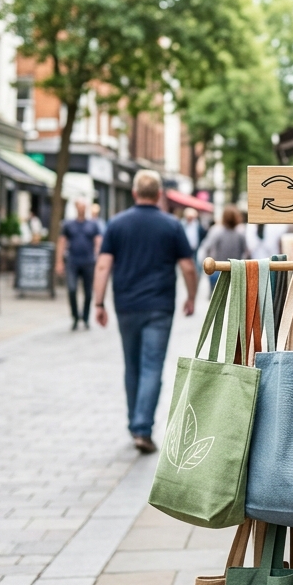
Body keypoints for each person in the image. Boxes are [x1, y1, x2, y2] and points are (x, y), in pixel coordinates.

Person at [92, 170, 197, 454]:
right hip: (160, 306)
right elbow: (188, 266)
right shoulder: (171, 225)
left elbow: (103, 266)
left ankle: (134, 424)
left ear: (135, 193)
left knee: (133, 365)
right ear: (160, 194)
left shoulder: (116, 224)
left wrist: (99, 302)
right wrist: (192, 296)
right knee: (152, 366)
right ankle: (142, 427)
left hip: (126, 305)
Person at [56, 199, 103, 331]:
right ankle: (75, 316)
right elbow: (62, 242)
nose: (81, 209)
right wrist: (59, 261)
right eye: (79, 206)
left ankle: (86, 317)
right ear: (76, 208)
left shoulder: (93, 225)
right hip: (72, 262)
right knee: (71, 289)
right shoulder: (68, 224)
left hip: (88, 262)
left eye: (84, 206)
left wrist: (99, 259)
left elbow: (98, 242)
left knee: (88, 292)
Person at [196, 207, 251, 292]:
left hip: (218, 269)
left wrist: (206, 263)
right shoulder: (240, 234)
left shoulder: (217, 232)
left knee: (216, 300)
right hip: (234, 270)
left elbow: (206, 247)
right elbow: (247, 253)